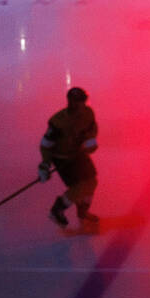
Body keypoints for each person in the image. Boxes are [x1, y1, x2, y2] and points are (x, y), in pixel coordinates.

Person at [38, 86, 100, 228]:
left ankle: (83, 213)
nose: (80, 105)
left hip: (79, 153)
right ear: (69, 102)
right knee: (79, 187)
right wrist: (45, 165)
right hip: (62, 157)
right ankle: (57, 210)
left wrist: (91, 140)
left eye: (82, 101)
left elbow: (92, 128)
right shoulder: (58, 122)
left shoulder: (88, 113)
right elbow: (46, 145)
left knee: (92, 182)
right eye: (76, 102)